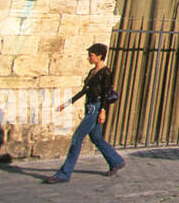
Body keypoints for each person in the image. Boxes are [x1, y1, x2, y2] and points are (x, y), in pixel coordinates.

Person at [46, 43, 126, 183]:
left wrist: (103, 111)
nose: (89, 58)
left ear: (99, 56)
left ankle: (64, 174)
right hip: (89, 106)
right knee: (96, 138)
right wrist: (67, 103)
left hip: (96, 108)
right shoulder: (92, 72)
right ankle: (116, 161)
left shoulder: (106, 72)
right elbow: (85, 90)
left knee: (77, 138)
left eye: (91, 55)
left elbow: (107, 93)